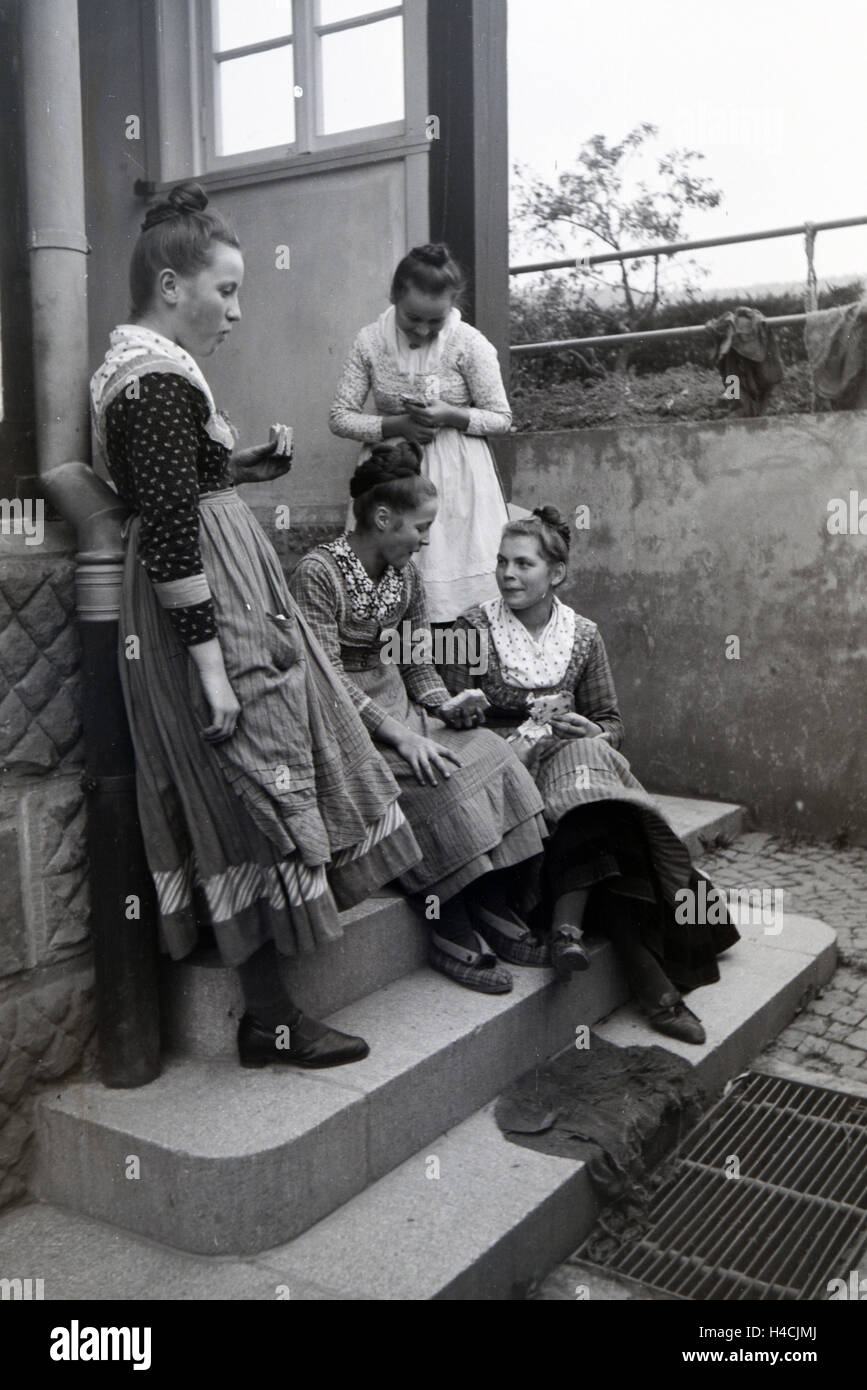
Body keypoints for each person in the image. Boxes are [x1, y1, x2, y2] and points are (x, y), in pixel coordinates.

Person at [90, 182, 424, 1072]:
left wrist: (236, 466)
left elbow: (174, 489)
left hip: (219, 580)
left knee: (266, 764)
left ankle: (272, 1007)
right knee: (254, 769)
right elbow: (165, 526)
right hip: (205, 603)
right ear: (171, 286)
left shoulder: (152, 372)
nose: (237, 310)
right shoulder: (149, 377)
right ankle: (269, 1017)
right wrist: (207, 667)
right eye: (226, 290)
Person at [442, 507, 740, 1044]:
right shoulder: (469, 629)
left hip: (573, 773)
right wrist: (480, 723)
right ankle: (651, 986)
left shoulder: (583, 634)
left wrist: (592, 731)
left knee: (589, 773)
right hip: (503, 770)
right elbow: (448, 715)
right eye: (502, 562)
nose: (508, 574)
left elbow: (613, 724)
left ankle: (566, 931)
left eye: (524, 564)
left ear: (555, 573)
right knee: (607, 815)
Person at [288, 444, 550, 995]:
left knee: (489, 749)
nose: (427, 540)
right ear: (382, 518)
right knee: (434, 778)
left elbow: (414, 660)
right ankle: (447, 923)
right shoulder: (318, 572)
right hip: (343, 728)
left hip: (400, 711)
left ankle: (490, 901)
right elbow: (325, 683)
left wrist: (443, 705)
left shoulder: (404, 576)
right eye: (421, 527)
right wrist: (405, 737)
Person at [328, 243, 511, 623]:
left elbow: (501, 418)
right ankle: (389, 671)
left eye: (436, 320)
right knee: (386, 595)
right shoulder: (370, 342)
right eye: (413, 318)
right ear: (395, 297)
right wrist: (396, 426)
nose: (424, 329)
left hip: (459, 484)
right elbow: (340, 417)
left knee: (453, 607)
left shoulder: (469, 344)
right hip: (392, 479)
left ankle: (451, 672)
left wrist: (452, 415)